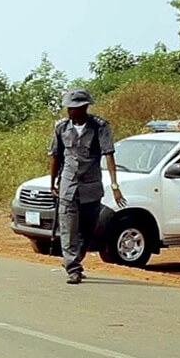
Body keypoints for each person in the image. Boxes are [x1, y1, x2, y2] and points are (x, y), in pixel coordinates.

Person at [49, 88, 126, 284]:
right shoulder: (61, 127)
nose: (69, 112)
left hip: (90, 187)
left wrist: (115, 185)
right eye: (68, 108)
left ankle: (75, 258)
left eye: (73, 108)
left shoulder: (100, 126)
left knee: (87, 230)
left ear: (83, 108)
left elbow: (109, 155)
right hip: (68, 185)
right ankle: (73, 267)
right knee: (68, 229)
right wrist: (53, 184)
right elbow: (55, 156)